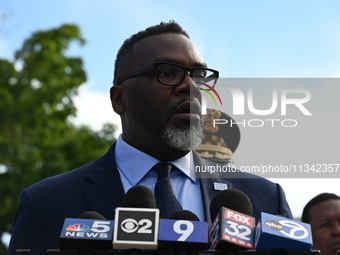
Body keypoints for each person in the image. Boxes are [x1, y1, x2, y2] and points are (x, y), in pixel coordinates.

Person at [8, 21, 293, 254]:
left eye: (199, 75)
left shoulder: (265, 199)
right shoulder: (46, 203)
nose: (190, 87)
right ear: (119, 99)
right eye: (168, 73)